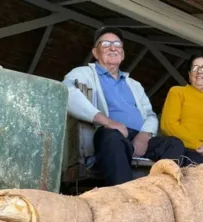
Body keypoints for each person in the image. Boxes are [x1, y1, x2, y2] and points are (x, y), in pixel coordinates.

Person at [63, 26, 188, 186]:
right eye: (106, 44)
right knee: (113, 138)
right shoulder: (84, 73)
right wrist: (107, 121)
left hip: (137, 137)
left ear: (122, 54)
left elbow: (150, 115)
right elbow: (67, 93)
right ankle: (124, 199)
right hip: (108, 133)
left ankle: (158, 192)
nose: (113, 47)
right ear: (95, 52)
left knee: (174, 144)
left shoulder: (134, 84)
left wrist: (144, 136)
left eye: (117, 44)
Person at [160, 53, 203, 163]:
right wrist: (199, 146)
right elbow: (169, 125)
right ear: (190, 75)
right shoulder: (177, 92)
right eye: (195, 68)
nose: (199, 71)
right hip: (182, 148)